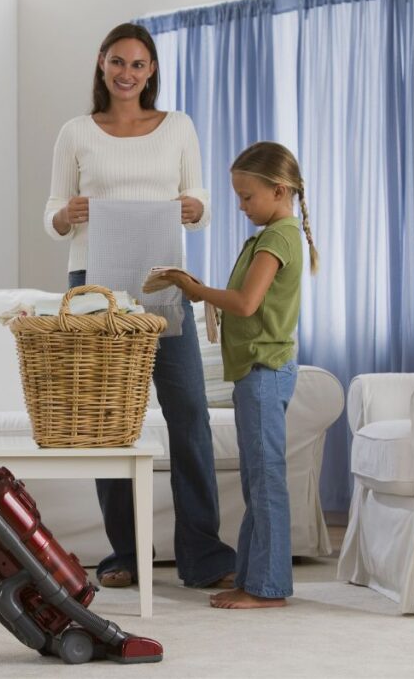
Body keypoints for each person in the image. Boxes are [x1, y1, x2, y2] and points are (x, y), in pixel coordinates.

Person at [43, 22, 236, 590]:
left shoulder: (177, 127)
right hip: (93, 284)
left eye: (139, 64)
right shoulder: (76, 132)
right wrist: (66, 214)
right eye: (118, 62)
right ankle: (125, 553)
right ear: (102, 64)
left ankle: (202, 553)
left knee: (189, 413)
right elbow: (52, 213)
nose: (127, 73)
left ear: (151, 71)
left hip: (164, 279)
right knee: (107, 423)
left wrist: (191, 208)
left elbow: (202, 201)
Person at [162, 141, 319, 609]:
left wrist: (195, 289)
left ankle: (268, 588)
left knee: (265, 479)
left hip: (263, 372)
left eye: (248, 197)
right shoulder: (276, 234)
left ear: (279, 189)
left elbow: (247, 304)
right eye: (238, 197)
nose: (242, 206)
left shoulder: (275, 238)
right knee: (257, 479)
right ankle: (254, 579)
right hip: (260, 370)